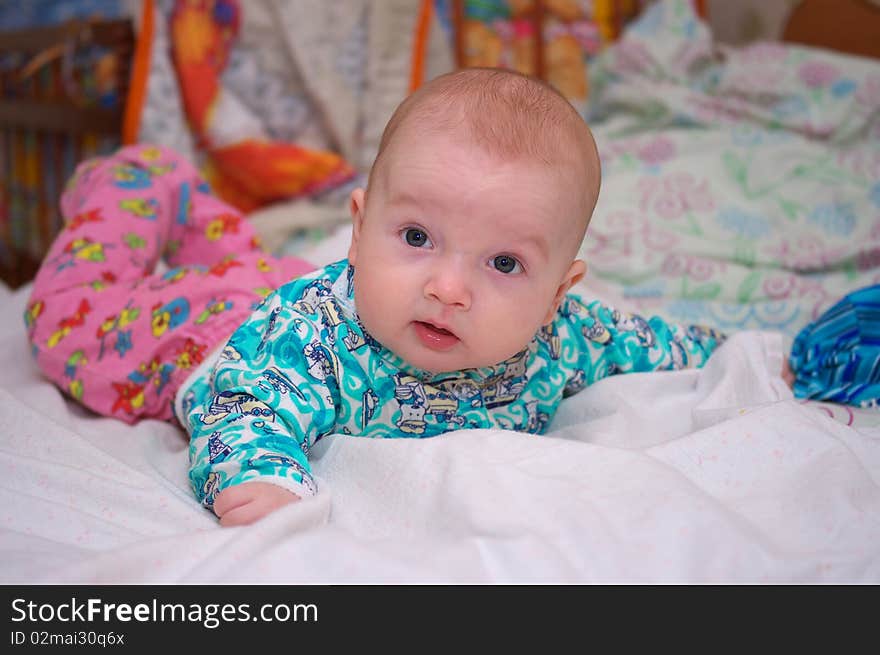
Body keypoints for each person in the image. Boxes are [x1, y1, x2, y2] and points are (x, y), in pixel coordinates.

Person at [26, 68, 729, 528]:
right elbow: (246, 404)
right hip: (199, 331)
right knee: (68, 316)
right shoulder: (309, 344)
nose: (448, 288)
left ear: (556, 296)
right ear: (358, 231)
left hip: (287, 281)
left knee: (252, 262)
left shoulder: (564, 339)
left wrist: (724, 351)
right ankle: (139, 181)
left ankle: (194, 211)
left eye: (505, 262)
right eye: (417, 235)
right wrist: (267, 482)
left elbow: (643, 338)